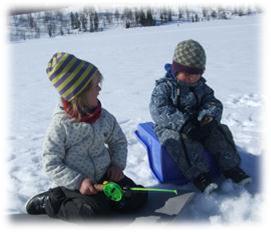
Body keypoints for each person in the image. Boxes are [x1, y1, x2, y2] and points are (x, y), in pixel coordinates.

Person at [26, 52, 148, 221]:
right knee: (95, 215)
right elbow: (51, 162)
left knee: (136, 197)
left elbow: (118, 141)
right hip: (73, 186)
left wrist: (117, 165)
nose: (100, 89)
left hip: (105, 178)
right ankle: (52, 202)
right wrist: (79, 181)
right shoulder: (61, 126)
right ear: (79, 94)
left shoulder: (103, 117)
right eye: (95, 86)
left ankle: (108, 201)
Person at [149, 39, 251, 194]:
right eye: (186, 73)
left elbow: (213, 103)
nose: (191, 78)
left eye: (195, 74)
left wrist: (208, 120)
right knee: (181, 140)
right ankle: (199, 176)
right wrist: (184, 124)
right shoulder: (165, 87)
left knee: (219, 131)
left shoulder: (202, 88)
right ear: (176, 69)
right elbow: (159, 109)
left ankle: (231, 167)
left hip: (198, 124)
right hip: (171, 127)